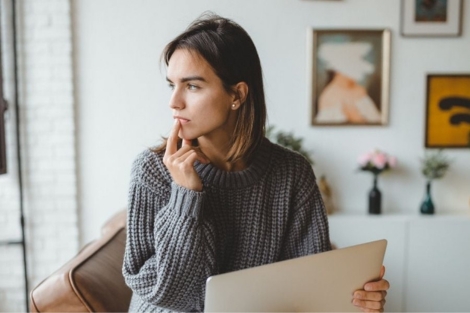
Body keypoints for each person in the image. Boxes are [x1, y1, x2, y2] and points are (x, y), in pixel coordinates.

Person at [122, 13, 389, 313]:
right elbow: (166, 293)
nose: (174, 101)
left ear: (237, 94)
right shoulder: (153, 170)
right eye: (172, 84)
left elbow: (309, 279)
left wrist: (356, 300)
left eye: (192, 86)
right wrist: (185, 197)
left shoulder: (291, 174)